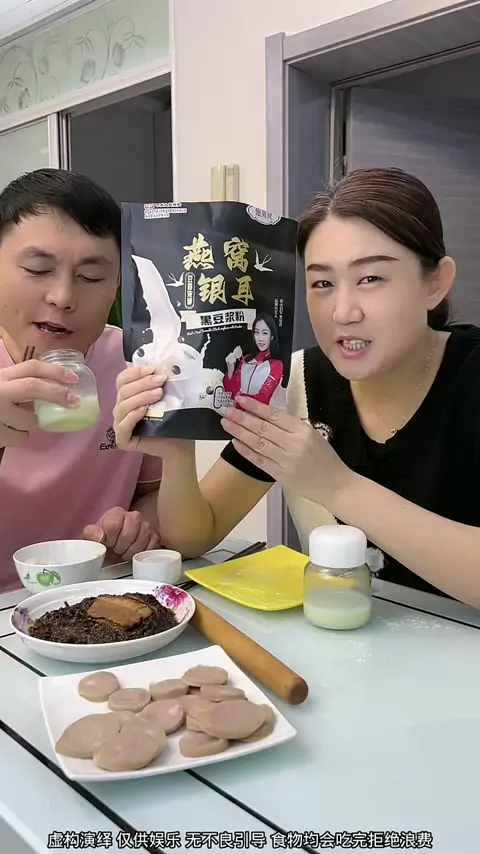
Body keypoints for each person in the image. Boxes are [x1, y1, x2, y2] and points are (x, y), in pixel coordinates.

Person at [114, 166, 480, 609]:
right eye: (322, 283)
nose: (343, 312)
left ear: (434, 282)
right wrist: (176, 451)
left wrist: (338, 488)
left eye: (371, 279)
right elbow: (196, 535)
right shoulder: (299, 382)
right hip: (349, 638)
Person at [0, 168, 163, 592]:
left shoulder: (135, 364)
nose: (63, 297)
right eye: (38, 269)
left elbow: (154, 493)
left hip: (97, 593)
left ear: (118, 284)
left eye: (90, 277)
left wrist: (137, 526)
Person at [222, 312, 283, 407]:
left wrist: (237, 396)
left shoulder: (276, 365)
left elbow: (262, 398)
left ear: (272, 336)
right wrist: (230, 369)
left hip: (257, 415)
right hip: (235, 413)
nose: (260, 338)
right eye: (257, 332)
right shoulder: (245, 360)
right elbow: (229, 392)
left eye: (265, 333)